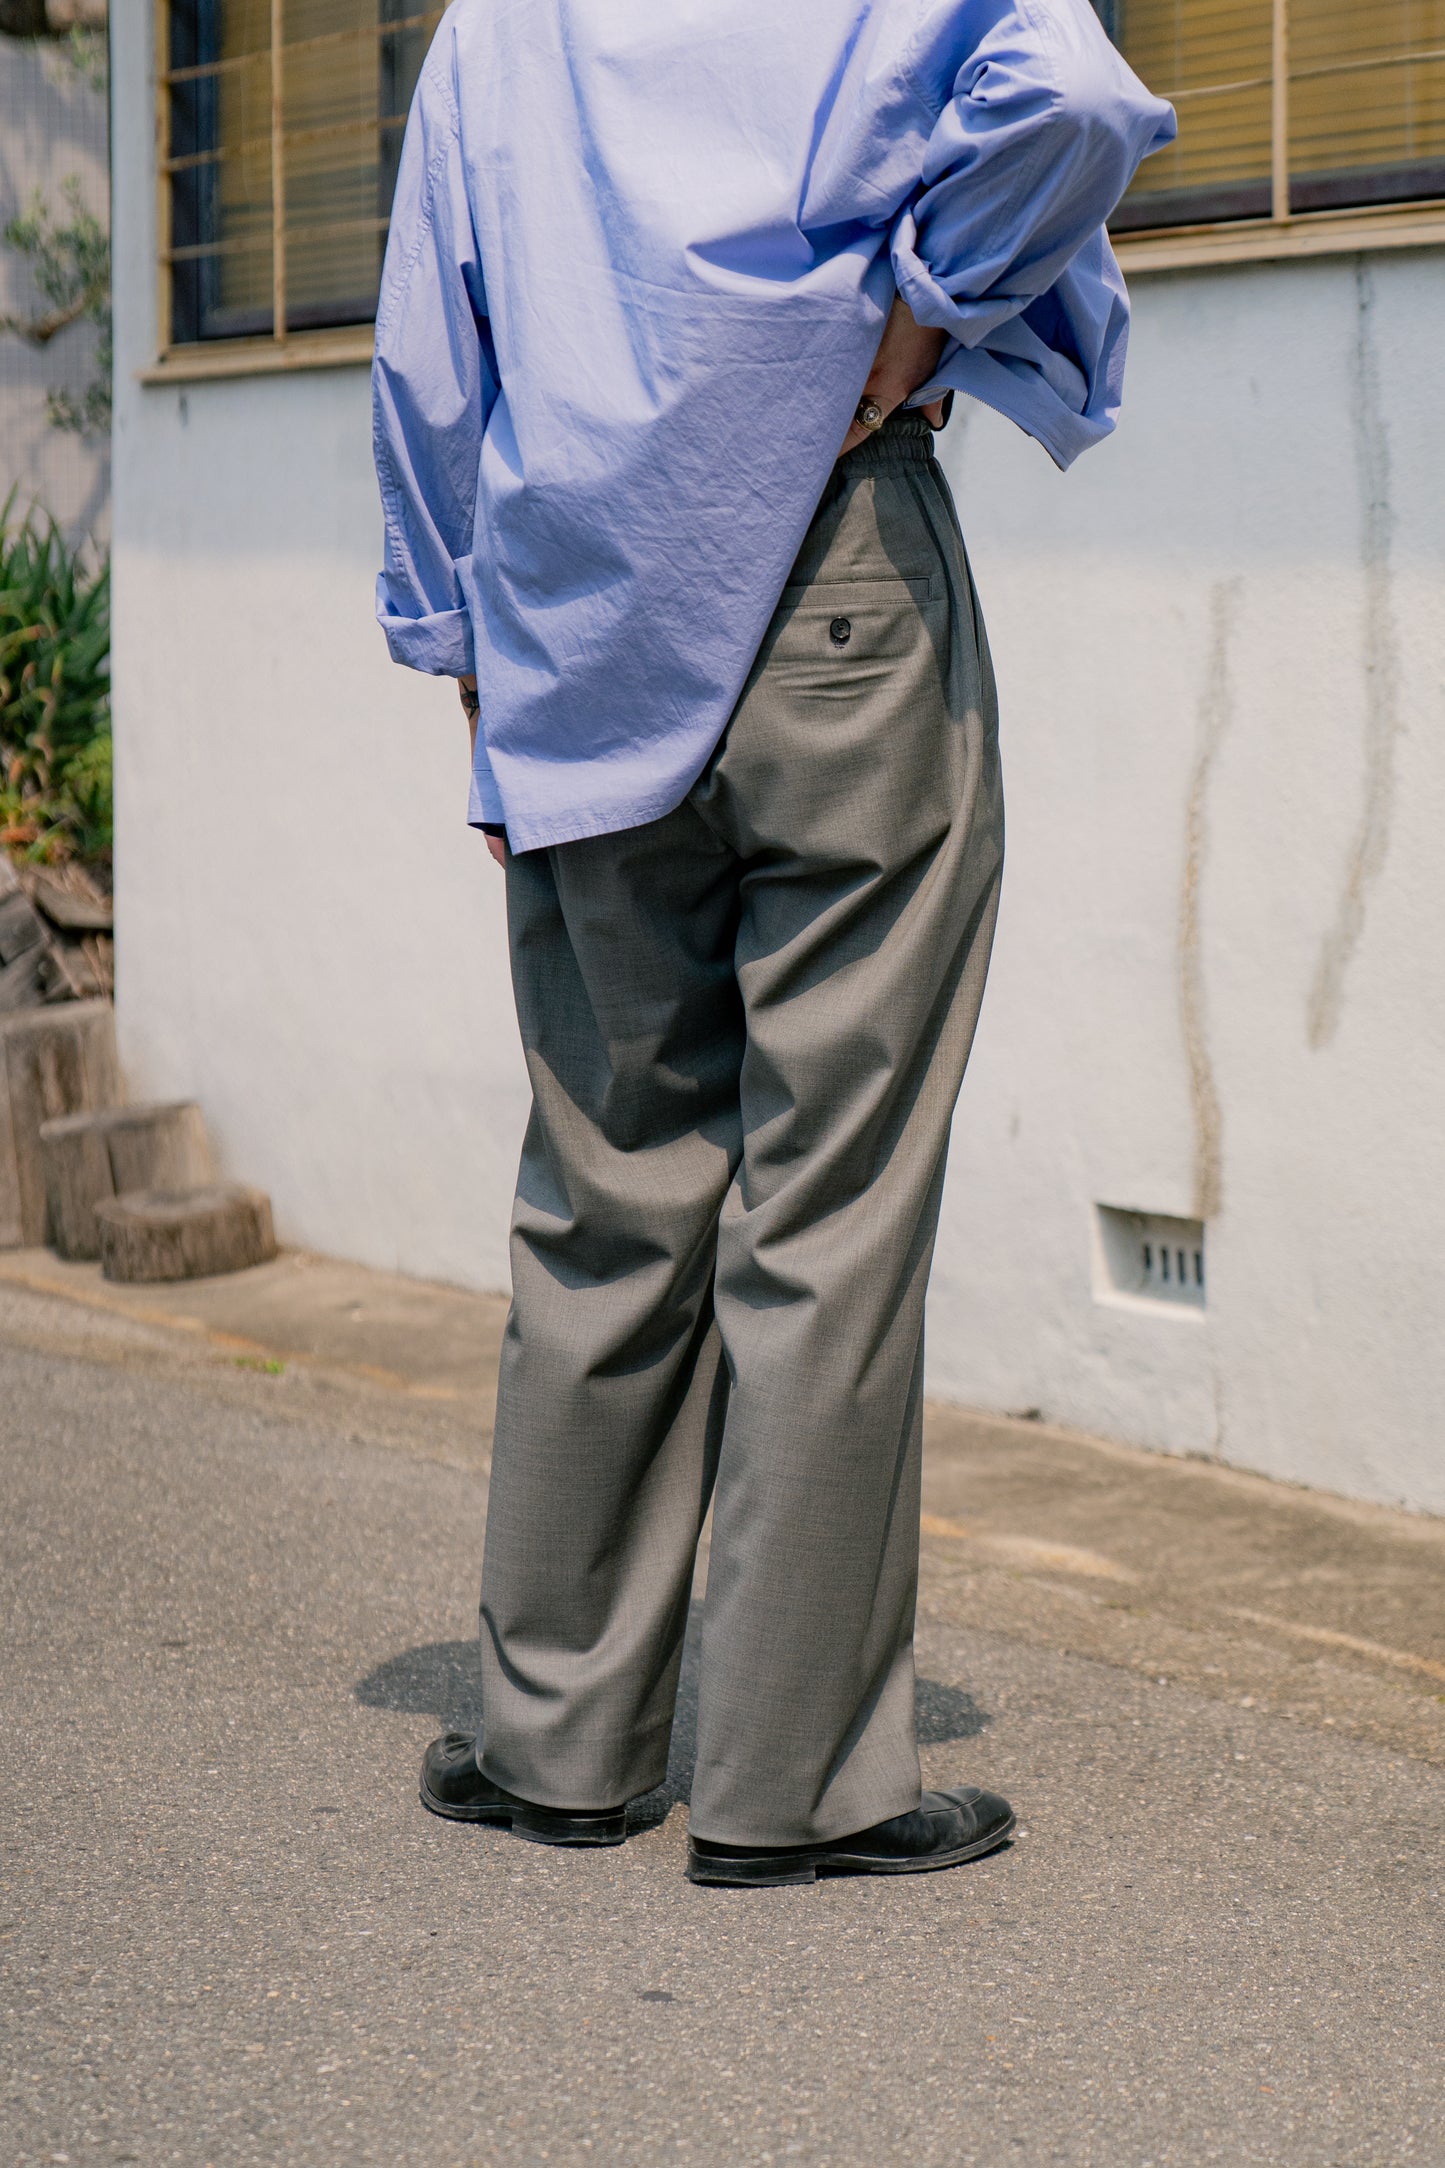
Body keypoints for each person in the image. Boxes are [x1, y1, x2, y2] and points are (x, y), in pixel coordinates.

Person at [373, 0, 1173, 1888]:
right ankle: (789, 1785)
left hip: (577, 614)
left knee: (605, 1181)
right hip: (835, 579)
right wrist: (913, 323)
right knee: (832, 1200)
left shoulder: (495, 25)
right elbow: (1068, 92)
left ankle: (557, 1743)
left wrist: (466, 661)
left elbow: (429, 358)